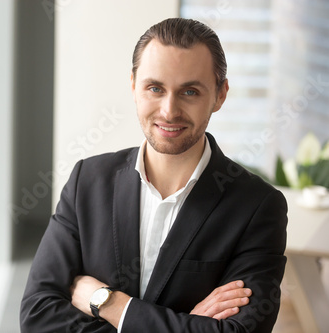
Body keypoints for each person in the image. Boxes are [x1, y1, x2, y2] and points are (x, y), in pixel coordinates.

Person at [20, 18, 287, 332]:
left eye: (189, 91)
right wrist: (188, 323)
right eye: (155, 88)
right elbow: (37, 316)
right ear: (134, 86)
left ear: (220, 94)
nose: (169, 110)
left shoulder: (258, 206)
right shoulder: (87, 182)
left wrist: (108, 302)